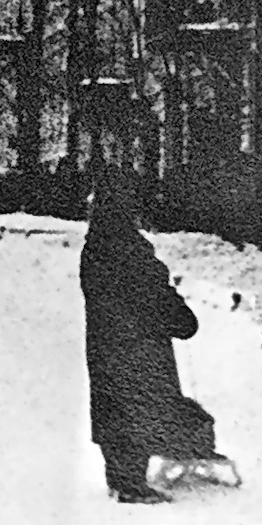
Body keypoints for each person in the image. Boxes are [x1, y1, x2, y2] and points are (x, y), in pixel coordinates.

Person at [80, 167, 217, 503]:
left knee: (115, 411)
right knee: (139, 409)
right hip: (138, 348)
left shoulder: (95, 247)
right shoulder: (130, 250)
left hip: (106, 345)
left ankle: (121, 479)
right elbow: (154, 296)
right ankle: (130, 485)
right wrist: (183, 319)